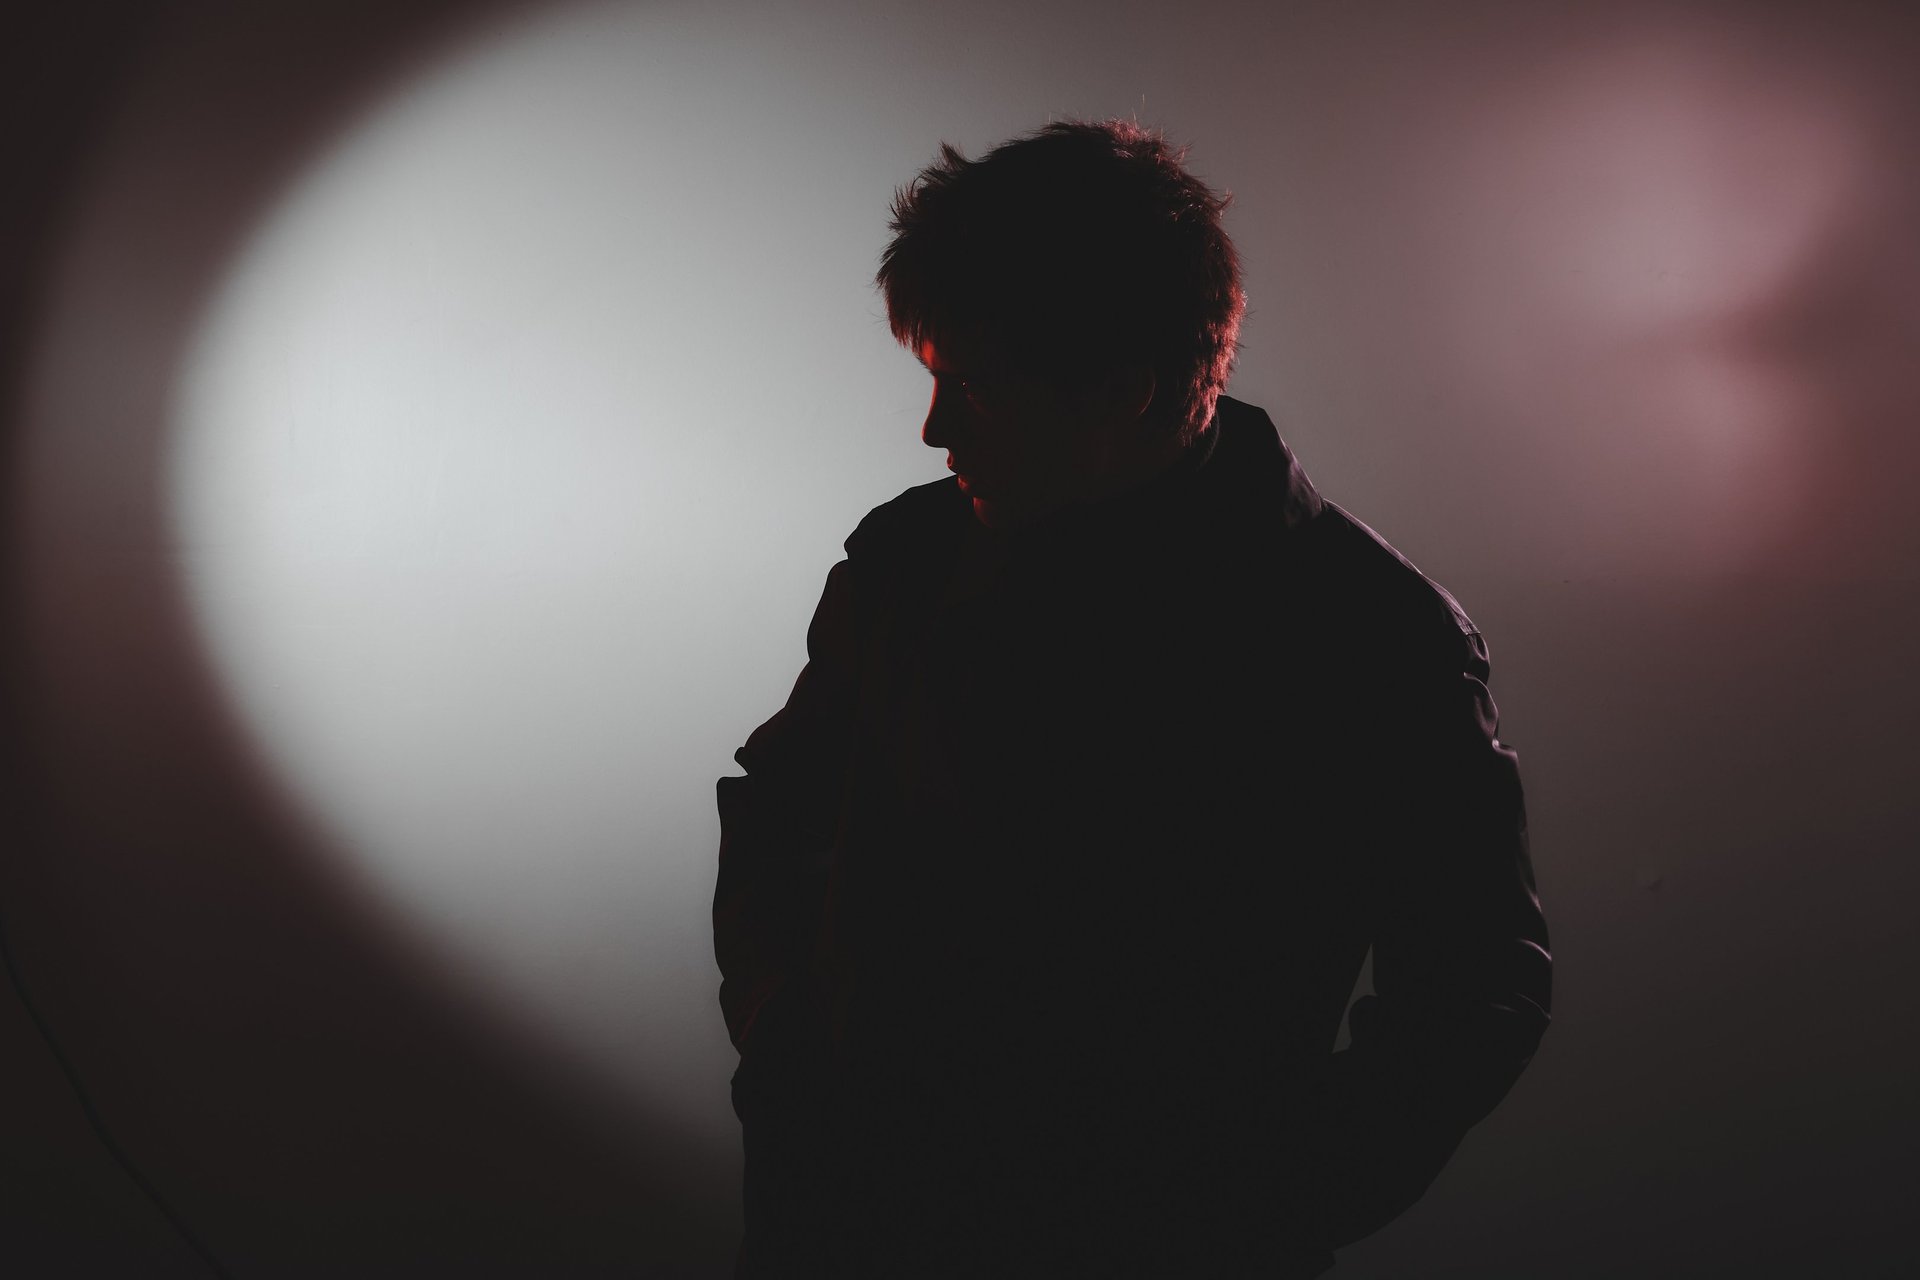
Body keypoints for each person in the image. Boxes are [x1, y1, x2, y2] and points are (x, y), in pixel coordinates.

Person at [713, 118, 1551, 1278]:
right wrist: (784, 1035)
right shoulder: (908, 558)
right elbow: (779, 802)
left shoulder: (1372, 639)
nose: (936, 428)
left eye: (977, 389)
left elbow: (1475, 989)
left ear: (1130, 390)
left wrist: (1244, 1210)